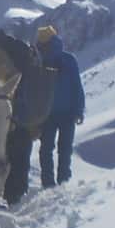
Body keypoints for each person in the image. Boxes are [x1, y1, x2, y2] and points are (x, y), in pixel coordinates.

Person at [36, 24, 84, 187]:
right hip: (68, 113)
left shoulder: (37, 60)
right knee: (65, 149)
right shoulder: (69, 59)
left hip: (46, 114)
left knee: (46, 149)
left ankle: (48, 182)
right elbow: (77, 86)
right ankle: (64, 180)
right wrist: (79, 110)